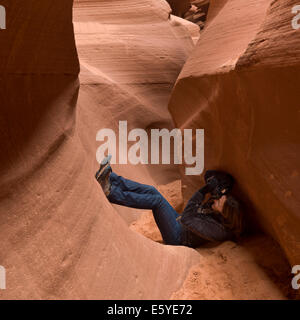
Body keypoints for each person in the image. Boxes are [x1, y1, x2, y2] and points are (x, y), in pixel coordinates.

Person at [95, 155, 243, 248]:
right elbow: (211, 176)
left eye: (219, 203)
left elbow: (187, 217)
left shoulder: (217, 231)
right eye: (221, 198)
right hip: (179, 223)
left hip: (177, 237)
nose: (216, 201)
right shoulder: (220, 211)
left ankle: (111, 192)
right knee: (153, 191)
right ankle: (111, 178)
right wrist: (218, 185)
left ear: (224, 214)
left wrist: (203, 191)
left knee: (157, 201)